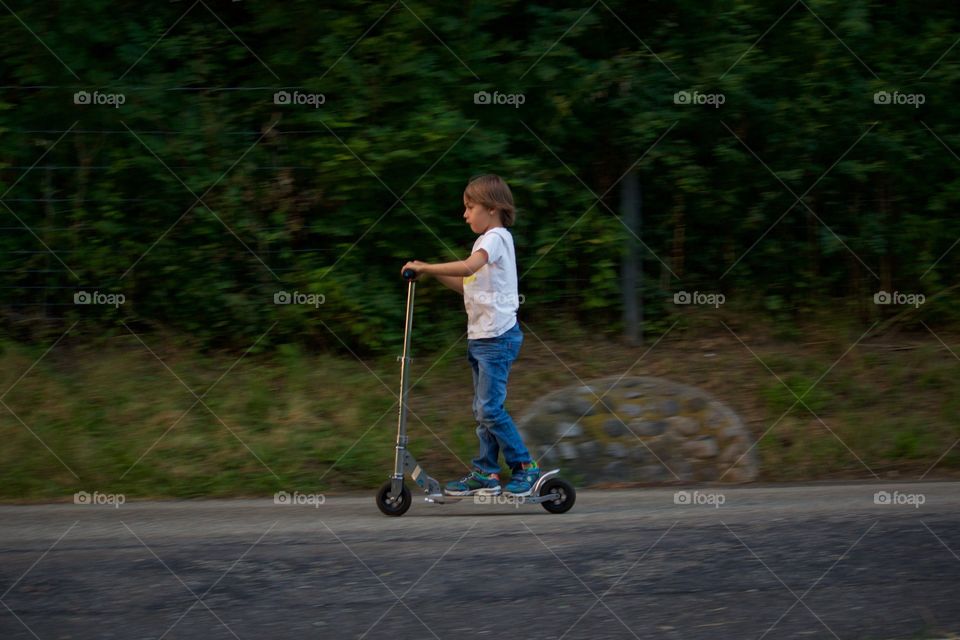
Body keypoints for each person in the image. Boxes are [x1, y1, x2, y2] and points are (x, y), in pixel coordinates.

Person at [401, 174, 540, 496]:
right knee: (482, 410)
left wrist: (428, 267)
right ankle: (487, 473)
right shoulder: (486, 242)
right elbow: (466, 282)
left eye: (469, 206)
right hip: (481, 338)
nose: (465, 214)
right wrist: (428, 272)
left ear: (491, 208)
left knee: (490, 410)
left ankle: (525, 467)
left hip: (497, 338)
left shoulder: (496, 237)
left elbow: (467, 268)